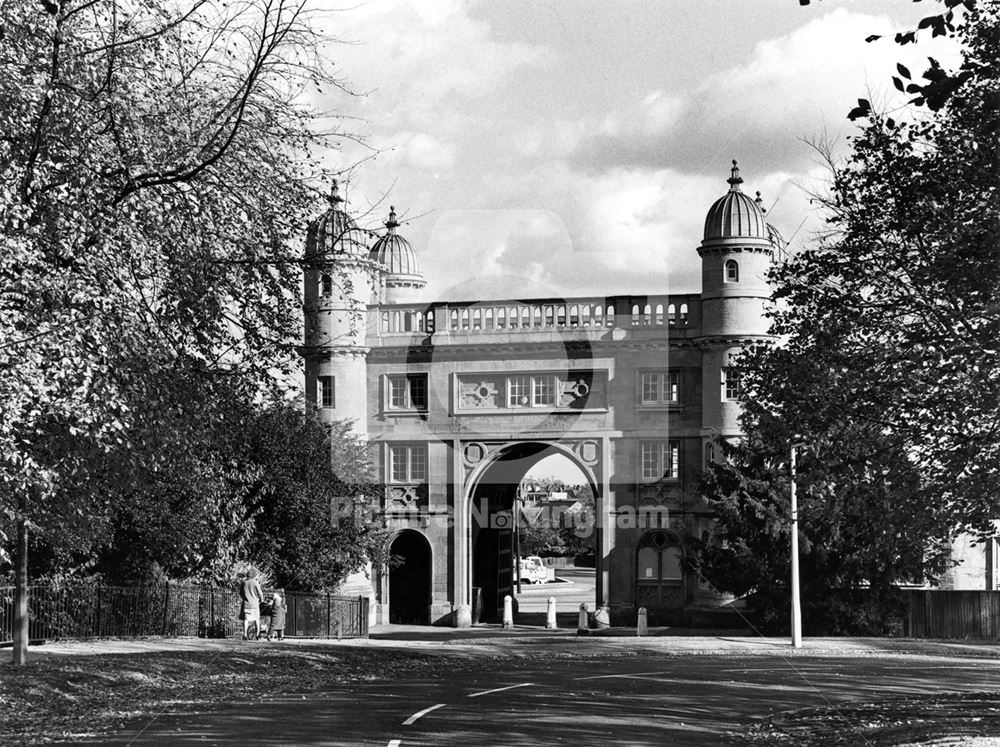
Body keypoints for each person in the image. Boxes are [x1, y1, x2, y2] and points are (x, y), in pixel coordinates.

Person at [239, 572, 264, 641]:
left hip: (247, 604)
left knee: (246, 620)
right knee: (256, 619)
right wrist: (261, 600)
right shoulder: (255, 582)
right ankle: (257, 634)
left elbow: (240, 593)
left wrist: (244, 598)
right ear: (254, 575)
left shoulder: (243, 582)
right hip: (255, 604)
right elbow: (260, 593)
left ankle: (245, 634)